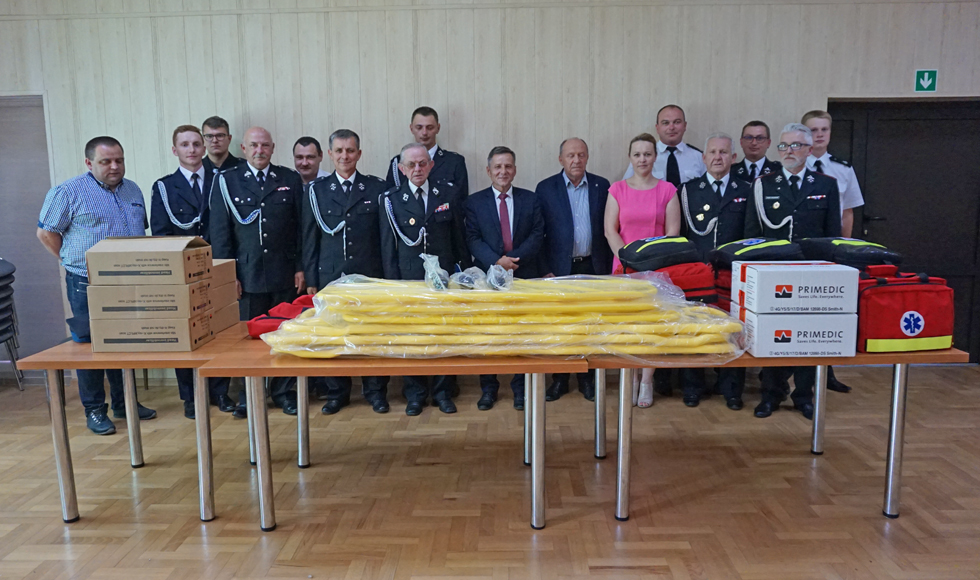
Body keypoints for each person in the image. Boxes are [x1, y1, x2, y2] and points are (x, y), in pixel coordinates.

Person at [36, 136, 156, 435]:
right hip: (86, 283)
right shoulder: (68, 192)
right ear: (89, 163)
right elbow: (46, 233)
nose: (114, 166)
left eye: (119, 160)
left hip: (128, 281)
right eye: (106, 161)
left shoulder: (133, 190)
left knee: (125, 343)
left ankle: (125, 403)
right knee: (90, 347)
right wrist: (71, 261)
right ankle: (94, 410)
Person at [745, 123, 842, 420]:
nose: (789, 151)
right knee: (775, 335)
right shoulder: (763, 184)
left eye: (796, 145)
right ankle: (771, 395)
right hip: (775, 275)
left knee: (808, 336)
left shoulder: (825, 185)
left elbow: (832, 236)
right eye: (784, 146)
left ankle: (804, 396)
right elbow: (752, 234)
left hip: (812, 275)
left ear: (809, 150)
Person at [210, 126, 304, 418]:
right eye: (254, 145)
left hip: (284, 272)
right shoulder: (227, 180)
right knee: (249, 339)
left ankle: (284, 392)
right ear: (243, 148)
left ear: (273, 148)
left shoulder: (288, 179)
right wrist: (229, 276)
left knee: (285, 334)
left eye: (265, 145)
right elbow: (221, 233)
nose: (259, 151)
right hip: (247, 274)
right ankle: (249, 396)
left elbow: (301, 228)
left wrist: (300, 267)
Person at [302, 130, 390, 415]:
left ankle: (375, 391)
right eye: (339, 151)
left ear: (359, 154)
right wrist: (312, 278)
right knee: (333, 334)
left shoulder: (376, 188)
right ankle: (337, 393)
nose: (344, 156)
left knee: (371, 335)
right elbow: (310, 238)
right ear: (329, 154)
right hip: (331, 275)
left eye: (350, 151)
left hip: (369, 274)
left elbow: (384, 237)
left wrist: (387, 277)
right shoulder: (316, 190)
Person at [149, 125, 235, 419]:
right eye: (185, 145)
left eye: (197, 144)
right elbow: (161, 233)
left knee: (218, 330)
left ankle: (220, 391)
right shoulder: (164, 187)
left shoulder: (222, 180)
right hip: (182, 272)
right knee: (186, 334)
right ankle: (190, 396)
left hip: (215, 266)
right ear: (175, 150)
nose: (192, 150)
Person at [380, 143, 469, 416]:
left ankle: (443, 392)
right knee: (412, 337)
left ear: (431, 165)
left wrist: (463, 272)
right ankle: (415, 394)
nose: (417, 169)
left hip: (444, 278)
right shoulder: (391, 200)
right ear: (401, 168)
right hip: (409, 279)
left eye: (422, 163)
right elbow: (388, 247)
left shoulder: (448, 193)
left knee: (445, 334)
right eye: (411, 164)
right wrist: (393, 283)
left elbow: (458, 238)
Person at [465, 147, 544, 411]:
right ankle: (489, 389)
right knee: (488, 334)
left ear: (515, 170)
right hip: (487, 278)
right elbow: (472, 238)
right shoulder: (474, 202)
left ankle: (520, 389)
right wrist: (497, 261)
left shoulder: (530, 199)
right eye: (498, 167)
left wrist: (512, 260)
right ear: (488, 171)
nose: (503, 171)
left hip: (523, 274)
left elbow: (537, 234)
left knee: (522, 333)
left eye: (508, 166)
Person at [605, 133, 681, 408]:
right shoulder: (617, 190)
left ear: (655, 157)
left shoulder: (668, 190)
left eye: (647, 154)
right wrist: (628, 261)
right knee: (628, 326)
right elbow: (610, 230)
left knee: (653, 326)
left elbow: (672, 233)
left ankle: (647, 380)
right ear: (630, 157)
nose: (642, 159)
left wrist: (650, 264)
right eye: (637, 154)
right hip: (624, 267)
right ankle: (631, 378)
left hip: (657, 270)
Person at [677, 133, 751, 410]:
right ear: (704, 157)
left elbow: (750, 235)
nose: (718, 157)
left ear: (733, 157)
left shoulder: (746, 190)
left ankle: (731, 390)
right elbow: (682, 235)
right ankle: (692, 387)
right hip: (698, 274)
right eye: (713, 152)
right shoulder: (687, 191)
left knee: (734, 331)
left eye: (723, 152)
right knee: (694, 330)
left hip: (733, 274)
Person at [535, 137, 611, 402]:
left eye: (581, 155)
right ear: (561, 159)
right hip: (559, 269)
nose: (576, 160)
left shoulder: (602, 186)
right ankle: (560, 379)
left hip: (593, 266)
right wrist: (544, 269)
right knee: (561, 326)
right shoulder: (545, 188)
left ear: (587, 157)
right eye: (570, 155)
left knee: (590, 325)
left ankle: (587, 379)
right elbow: (538, 233)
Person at [802, 110, 864, 395]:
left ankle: (827, 372)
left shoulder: (842, 169)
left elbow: (847, 212)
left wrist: (843, 249)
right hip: (799, 250)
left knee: (826, 313)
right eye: (813, 130)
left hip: (828, 251)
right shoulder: (791, 167)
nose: (819, 135)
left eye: (823, 129)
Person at [385, 106, 469, 208]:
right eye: (419, 127)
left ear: (438, 128)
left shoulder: (454, 162)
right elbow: (390, 201)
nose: (424, 133)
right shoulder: (398, 163)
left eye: (430, 127)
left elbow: (462, 202)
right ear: (411, 129)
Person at [623, 105, 706, 188]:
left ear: (685, 126)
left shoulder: (699, 157)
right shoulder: (642, 157)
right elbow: (626, 189)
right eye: (665, 123)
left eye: (677, 122)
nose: (671, 127)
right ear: (657, 128)